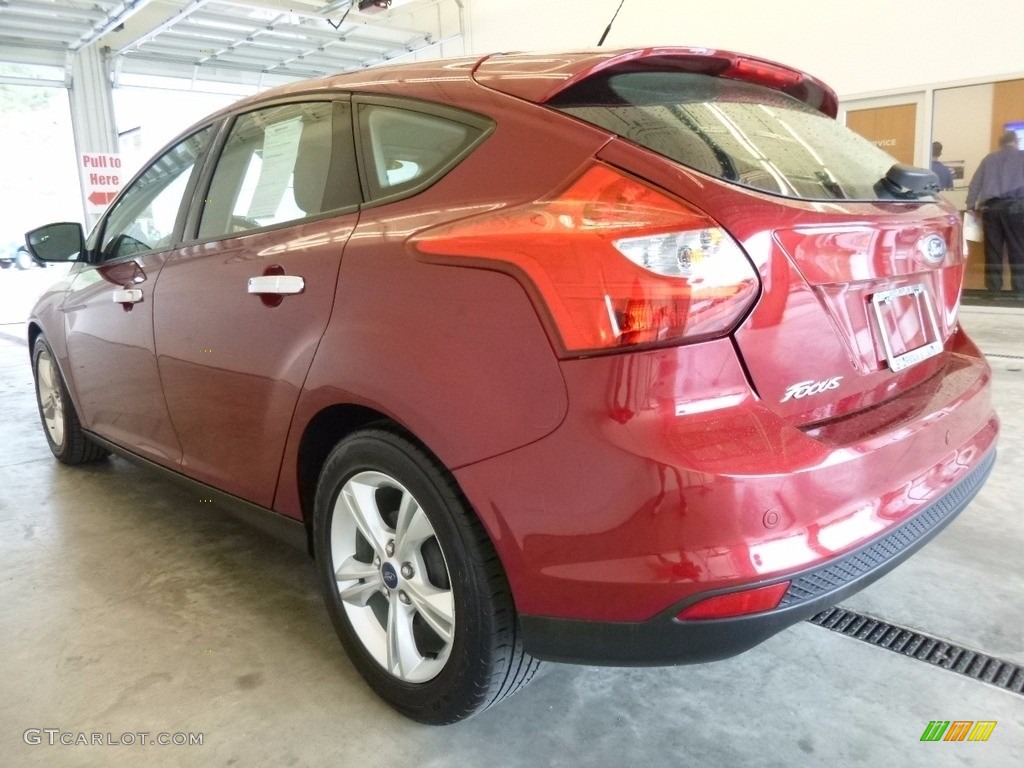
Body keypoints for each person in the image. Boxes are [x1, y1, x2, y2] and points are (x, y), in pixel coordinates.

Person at [966, 131, 1024, 295]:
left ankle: (993, 290)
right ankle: (1019, 291)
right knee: (1018, 249)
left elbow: (975, 184)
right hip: (1017, 208)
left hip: (991, 208)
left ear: (1000, 143)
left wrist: (971, 206)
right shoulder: (1022, 157)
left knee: (993, 250)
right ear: (1015, 141)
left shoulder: (989, 159)